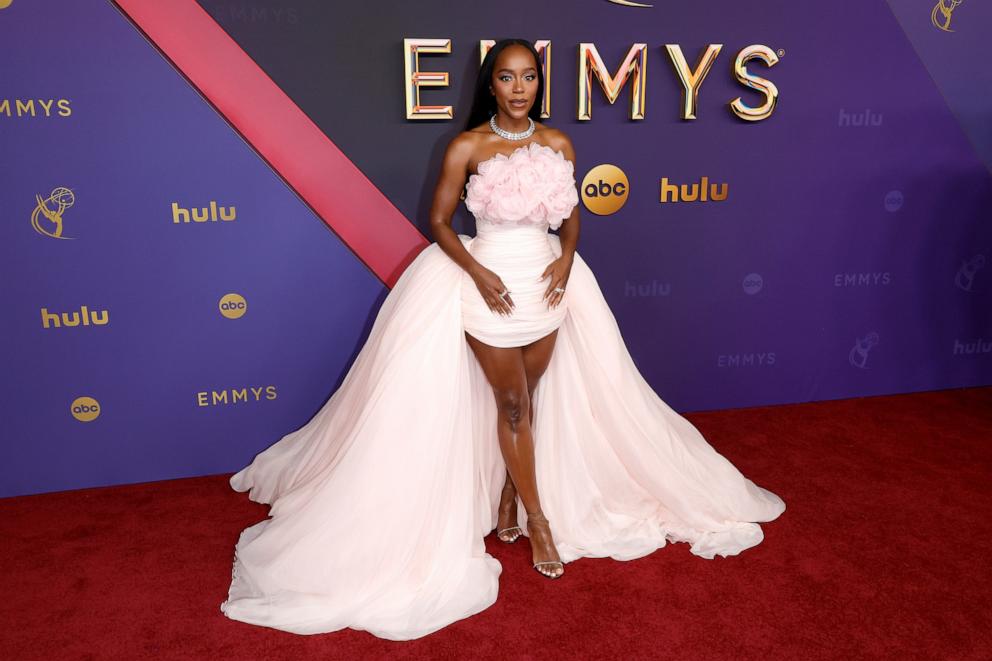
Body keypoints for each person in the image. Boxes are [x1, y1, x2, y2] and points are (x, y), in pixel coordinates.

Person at [220, 38, 785, 640]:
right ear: (491, 84)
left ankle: (510, 498)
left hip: (546, 286)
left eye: (530, 77)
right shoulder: (466, 145)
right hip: (486, 286)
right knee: (513, 403)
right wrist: (479, 271)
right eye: (508, 78)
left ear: (539, 83)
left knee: (529, 397)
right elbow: (439, 220)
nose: (520, 88)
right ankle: (539, 521)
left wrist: (567, 258)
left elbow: (571, 217)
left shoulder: (560, 143)